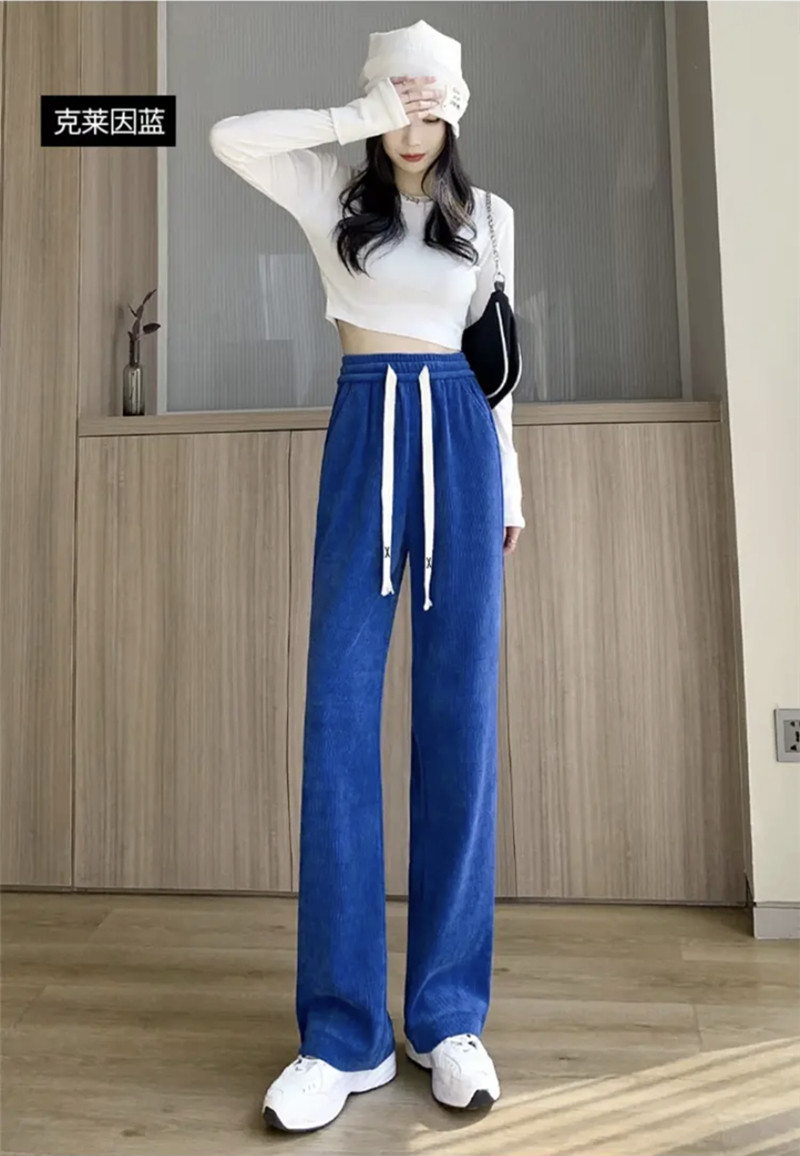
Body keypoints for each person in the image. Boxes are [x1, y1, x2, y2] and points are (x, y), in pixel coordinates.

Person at [209, 17, 526, 1134]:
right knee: (339, 720)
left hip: (461, 443)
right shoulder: (330, 204)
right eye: (399, 101)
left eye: (431, 101)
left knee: (459, 720)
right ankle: (341, 1035)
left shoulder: (490, 219)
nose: (414, 122)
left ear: (457, 109)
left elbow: (497, 366)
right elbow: (227, 136)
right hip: (364, 430)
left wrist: (511, 491)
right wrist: (358, 114)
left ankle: (446, 1018)